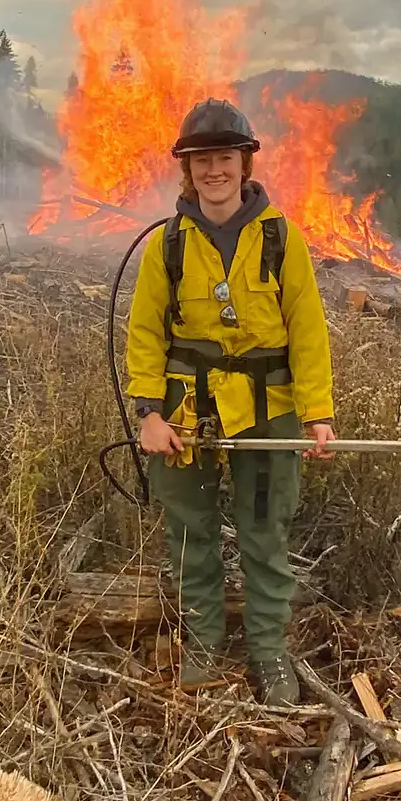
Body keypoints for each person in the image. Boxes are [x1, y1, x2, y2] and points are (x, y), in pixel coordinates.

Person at [125, 98, 336, 704]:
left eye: (224, 157)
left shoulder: (281, 238)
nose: (213, 170)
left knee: (265, 530)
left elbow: (308, 327)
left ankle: (269, 651)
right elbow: (144, 332)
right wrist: (149, 413)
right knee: (190, 532)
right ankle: (205, 641)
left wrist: (318, 413)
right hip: (185, 407)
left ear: (244, 163)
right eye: (201, 160)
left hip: (270, 406)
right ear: (186, 171)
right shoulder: (167, 245)